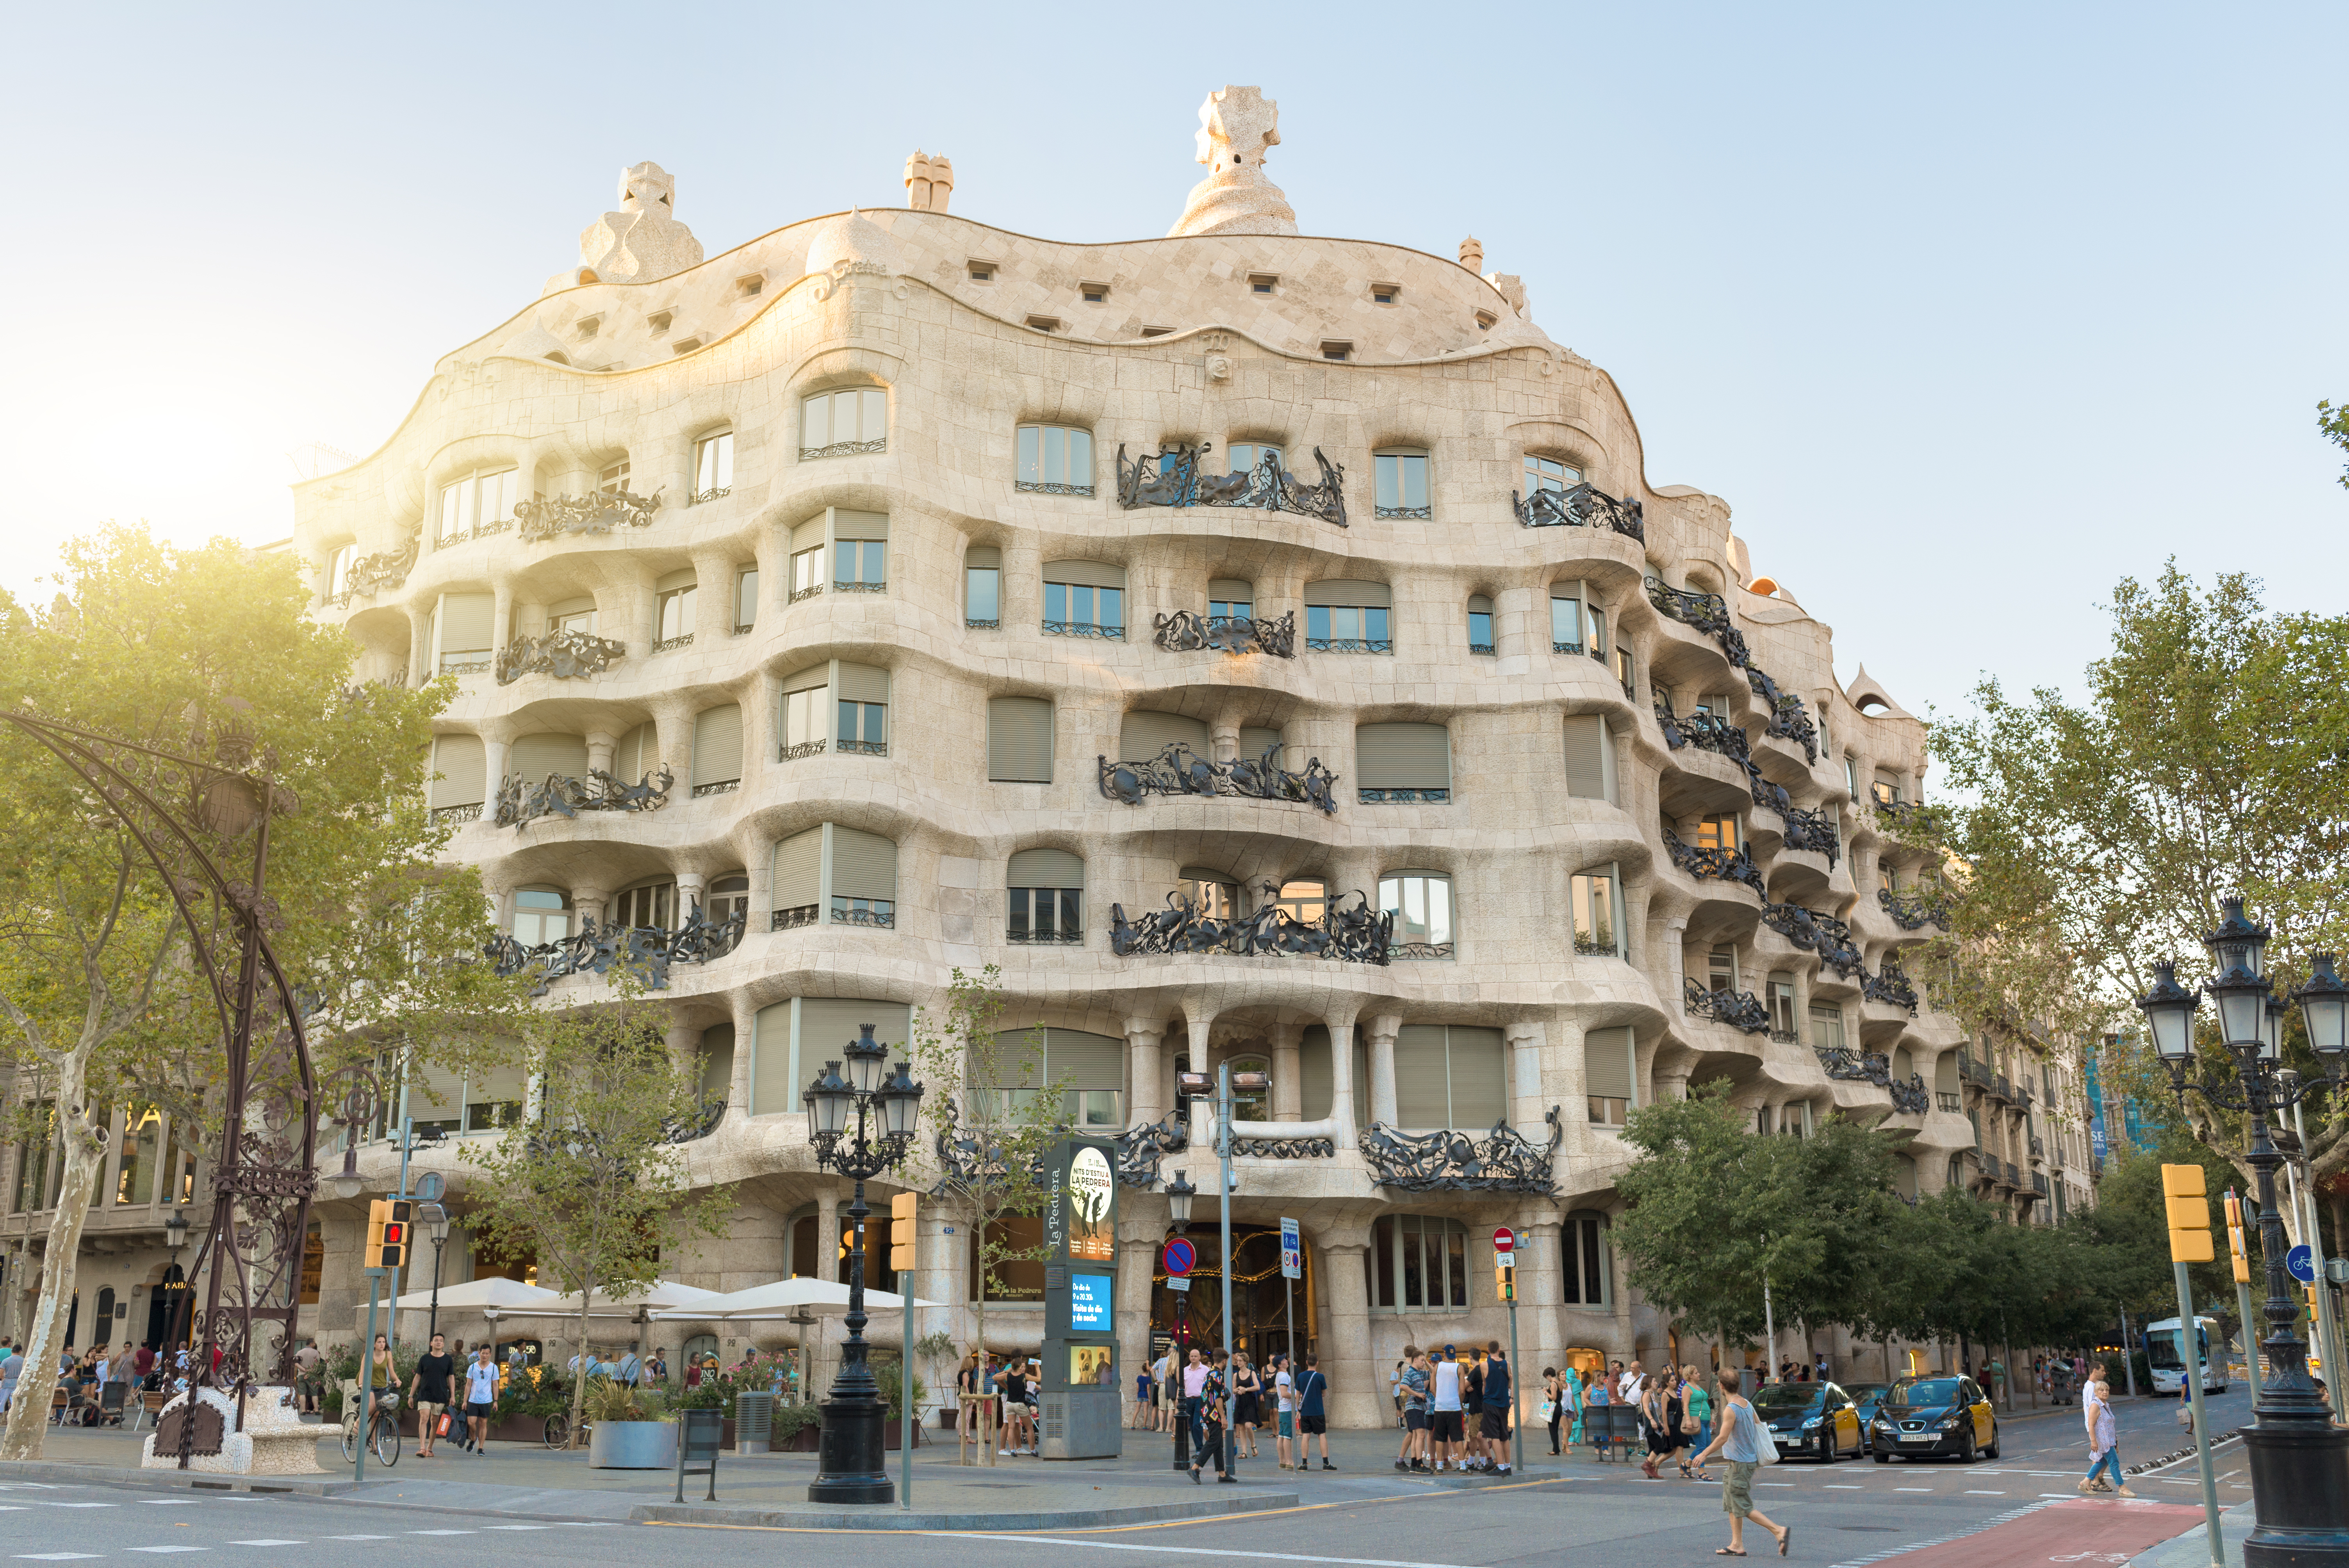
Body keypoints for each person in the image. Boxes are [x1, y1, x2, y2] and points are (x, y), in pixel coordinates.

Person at [1690, 1367, 1791, 1558]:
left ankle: (1779, 1531)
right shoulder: (1746, 1404)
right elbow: (1758, 1427)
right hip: (1742, 1462)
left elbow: (1722, 1438)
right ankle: (1737, 1544)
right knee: (1732, 1503)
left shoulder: (1731, 1409)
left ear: (1720, 1386)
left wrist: (1704, 1454)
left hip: (1741, 1463)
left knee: (1742, 1505)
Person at [2081, 1367, 2132, 1497]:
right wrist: (2093, 1441)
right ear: (2096, 1392)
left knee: (2102, 1462)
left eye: (2107, 1390)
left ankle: (2086, 1483)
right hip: (2102, 1442)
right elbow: (2091, 1425)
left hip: (2109, 1441)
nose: (2105, 1392)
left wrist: (2116, 1442)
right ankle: (2122, 1487)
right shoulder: (2095, 1405)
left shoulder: (2106, 1405)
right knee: (2114, 1462)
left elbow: (2110, 1425)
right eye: (2101, 1390)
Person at [410, 1332, 454, 1459]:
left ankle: (430, 1448)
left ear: (444, 1344)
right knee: (424, 1418)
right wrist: (411, 1395)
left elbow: (451, 1378)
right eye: (436, 1340)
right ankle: (422, 1448)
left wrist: (453, 1396)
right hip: (425, 1394)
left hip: (440, 1395)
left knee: (435, 1422)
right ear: (431, 1343)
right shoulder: (425, 1359)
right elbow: (418, 1377)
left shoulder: (448, 1360)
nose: (438, 1342)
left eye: (441, 1341)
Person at [1294, 1352, 1333, 1471]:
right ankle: (1326, 1463)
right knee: (1322, 1436)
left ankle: (1304, 1463)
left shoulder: (1300, 1376)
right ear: (1317, 1363)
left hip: (1305, 1411)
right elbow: (1324, 1393)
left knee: (1306, 1436)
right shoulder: (1320, 1377)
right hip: (1318, 1411)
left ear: (1306, 1363)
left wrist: (1299, 1410)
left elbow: (1298, 1395)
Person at [1429, 1345, 1465, 1470]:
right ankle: (1463, 1466)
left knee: (1440, 1438)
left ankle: (1440, 1466)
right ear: (1454, 1355)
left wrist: (1439, 1397)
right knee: (1458, 1438)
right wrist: (1459, 1402)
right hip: (1454, 1407)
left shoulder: (1437, 1367)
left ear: (1444, 1354)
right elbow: (1462, 1391)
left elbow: (1432, 1388)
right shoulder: (1459, 1368)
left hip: (1440, 1407)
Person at [1395, 1346, 1429, 1472]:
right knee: (1415, 1434)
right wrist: (1416, 1395)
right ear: (1415, 1358)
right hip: (1412, 1405)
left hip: (1411, 1405)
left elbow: (1431, 1374)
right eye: (1422, 1360)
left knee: (1414, 1434)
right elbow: (1403, 1386)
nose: (1423, 1363)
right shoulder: (1408, 1368)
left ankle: (1412, 1463)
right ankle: (1408, 1461)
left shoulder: (1413, 1369)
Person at [462, 1343, 499, 1457]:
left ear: (490, 1355)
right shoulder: (473, 1367)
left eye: (487, 1353)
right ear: (479, 1353)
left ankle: (481, 1448)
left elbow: (496, 1385)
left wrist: (496, 1401)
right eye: (483, 1353)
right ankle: (474, 1438)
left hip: (486, 1400)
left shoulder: (494, 1368)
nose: (485, 1355)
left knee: (483, 1423)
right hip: (473, 1400)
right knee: (471, 1423)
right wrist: (465, 1401)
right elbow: (468, 1385)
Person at [1481, 1342, 1513, 1474]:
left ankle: (1500, 1467)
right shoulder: (1507, 1364)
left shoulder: (1484, 1365)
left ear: (1488, 1350)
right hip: (1504, 1403)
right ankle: (1508, 1466)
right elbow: (1510, 1382)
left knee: (1494, 1436)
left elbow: (1485, 1384)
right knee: (1504, 1436)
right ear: (1499, 1350)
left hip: (1490, 1403)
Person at [1685, 1365, 1716, 1481]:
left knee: (1707, 1445)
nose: (1699, 1374)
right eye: (1696, 1373)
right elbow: (1686, 1405)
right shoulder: (1687, 1388)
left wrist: (1711, 1418)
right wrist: (1688, 1420)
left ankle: (1687, 1464)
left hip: (1705, 1420)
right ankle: (1701, 1472)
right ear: (1690, 1376)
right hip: (1696, 1421)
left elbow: (1705, 1403)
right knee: (1702, 1447)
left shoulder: (1698, 1387)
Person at [1233, 1352, 1262, 1458]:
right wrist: (1238, 1390)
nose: (1238, 1362)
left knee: (1249, 1425)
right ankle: (1244, 1452)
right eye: (1238, 1361)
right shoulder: (1236, 1375)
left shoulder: (1252, 1373)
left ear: (1245, 1362)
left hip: (1250, 1402)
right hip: (1240, 1402)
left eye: (1240, 1361)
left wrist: (1245, 1389)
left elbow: (1257, 1387)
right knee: (1241, 1428)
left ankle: (1253, 1444)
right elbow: (1233, 1389)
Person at [1585, 1367, 1613, 1458]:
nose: (1604, 1378)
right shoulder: (1591, 1387)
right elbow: (1585, 1398)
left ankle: (1605, 1449)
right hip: (1595, 1412)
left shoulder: (1605, 1385)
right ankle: (1597, 1447)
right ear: (1597, 1377)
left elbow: (1607, 1395)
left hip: (1605, 1410)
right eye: (1602, 1376)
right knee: (1597, 1430)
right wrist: (1591, 1405)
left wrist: (1611, 1401)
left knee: (1606, 1430)